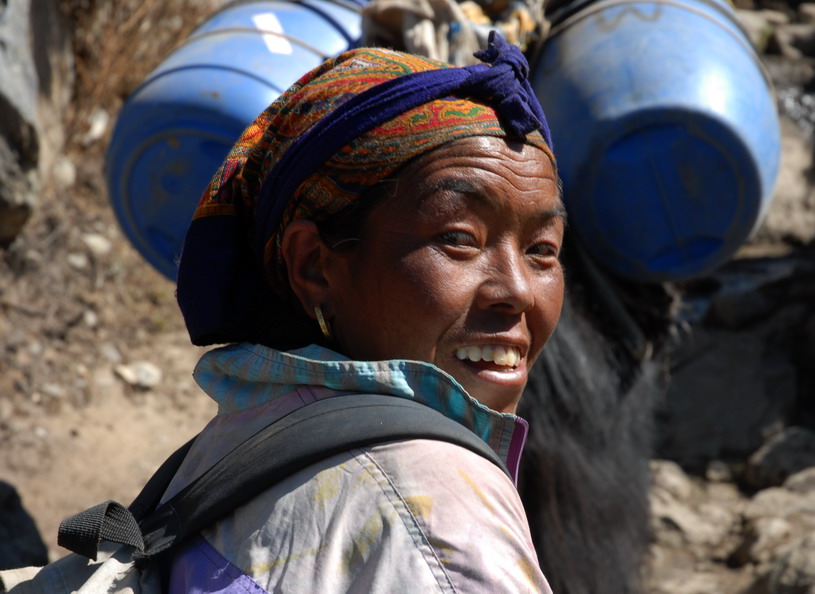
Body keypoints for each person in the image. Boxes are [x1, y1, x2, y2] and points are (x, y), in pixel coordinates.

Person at [168, 32, 563, 593]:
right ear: (314, 266)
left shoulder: (241, 431)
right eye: (458, 238)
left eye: (542, 249)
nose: (519, 291)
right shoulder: (441, 512)